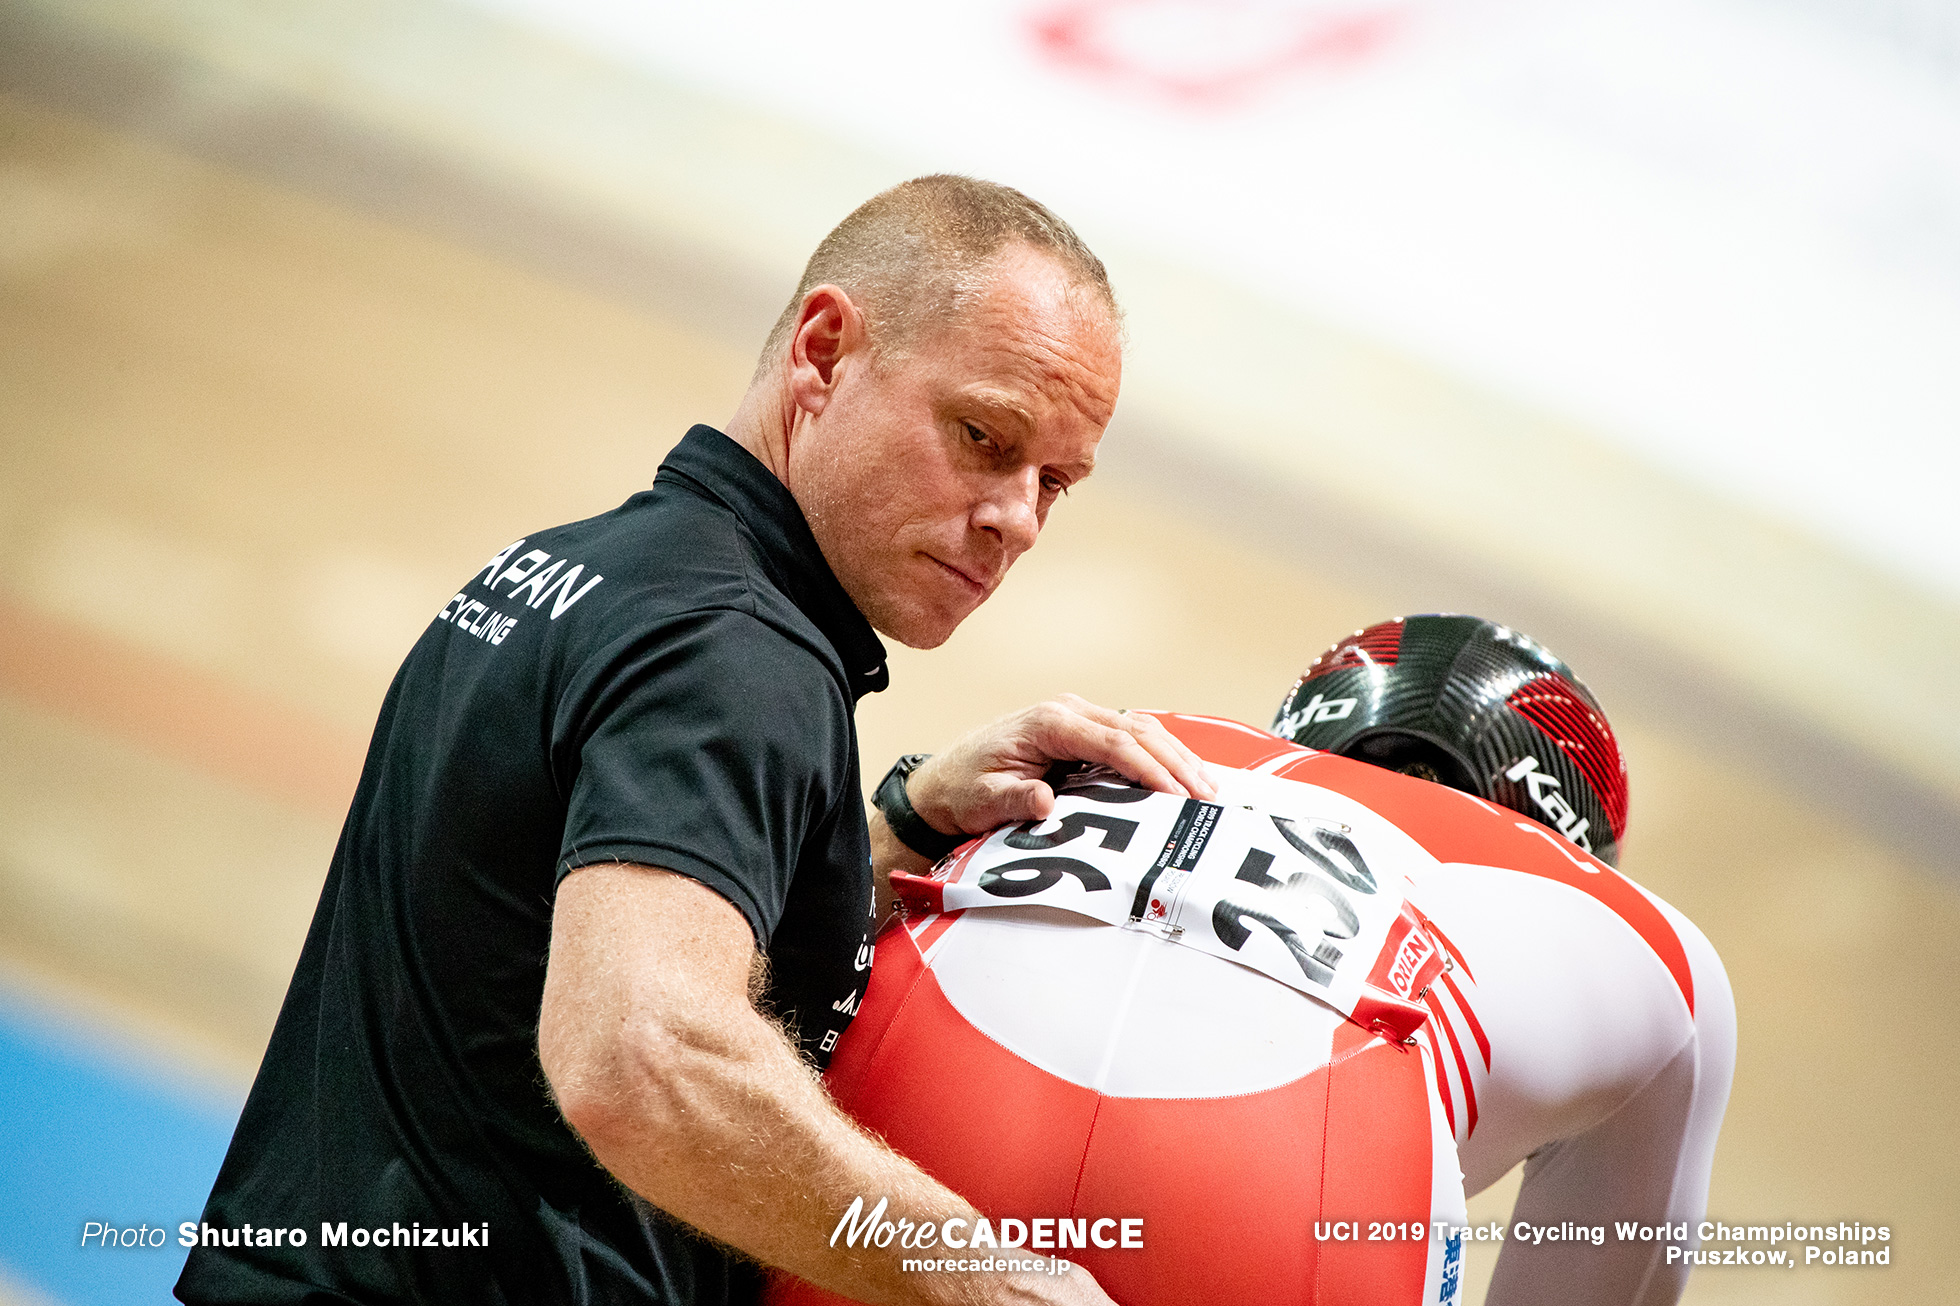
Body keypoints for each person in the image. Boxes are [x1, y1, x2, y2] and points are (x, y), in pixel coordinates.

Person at [176, 175, 1215, 1306]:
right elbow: (645, 1059)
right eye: (983, 436)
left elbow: (545, 925)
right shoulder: (738, 656)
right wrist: (989, 1281)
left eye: (1053, 481)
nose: (1015, 515)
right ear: (822, 353)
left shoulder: (590, 568)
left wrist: (903, 821)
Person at [765, 616, 1735, 1306]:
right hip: (1280, 1203)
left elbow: (778, 959)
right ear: (1570, 837)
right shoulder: (1637, 934)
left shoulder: (1121, 735)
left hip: (908, 1126)